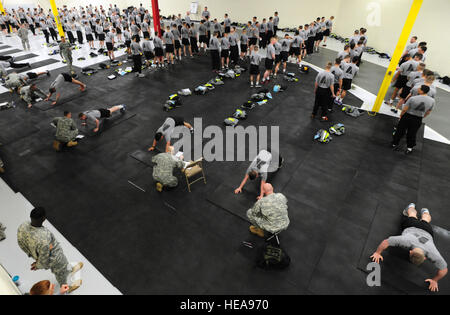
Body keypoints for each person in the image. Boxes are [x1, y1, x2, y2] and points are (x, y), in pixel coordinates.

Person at [370, 203, 447, 292]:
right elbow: (443, 270)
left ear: (410, 252)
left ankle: (416, 208)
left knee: (418, 217)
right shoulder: (406, 242)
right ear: (425, 258)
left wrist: (378, 252)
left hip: (425, 230)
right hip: (415, 226)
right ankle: (414, 208)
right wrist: (434, 280)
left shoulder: (406, 241)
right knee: (414, 216)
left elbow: (385, 242)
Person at [17, 207, 83, 292]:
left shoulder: (23, 226)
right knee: (61, 274)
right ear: (44, 218)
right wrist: (38, 265)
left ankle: (69, 269)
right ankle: (66, 289)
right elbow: (44, 260)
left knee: (64, 264)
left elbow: (20, 243)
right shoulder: (44, 238)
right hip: (55, 258)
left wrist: (34, 256)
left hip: (43, 253)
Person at [392, 85, 434, 155]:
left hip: (408, 116)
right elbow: (428, 112)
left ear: (422, 91)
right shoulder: (432, 101)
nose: (418, 89)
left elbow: (405, 109)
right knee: (412, 133)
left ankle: (394, 144)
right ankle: (409, 148)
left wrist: (401, 115)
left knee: (400, 130)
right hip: (418, 119)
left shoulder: (413, 98)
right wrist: (422, 116)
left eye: (419, 88)